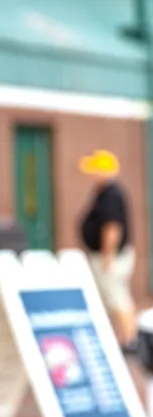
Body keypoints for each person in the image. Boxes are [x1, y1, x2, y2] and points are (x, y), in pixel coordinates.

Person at [79, 149, 138, 353]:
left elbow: (112, 227)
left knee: (116, 297)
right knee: (115, 297)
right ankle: (125, 339)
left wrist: (106, 255)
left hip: (111, 257)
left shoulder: (110, 195)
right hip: (112, 256)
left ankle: (130, 342)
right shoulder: (104, 193)